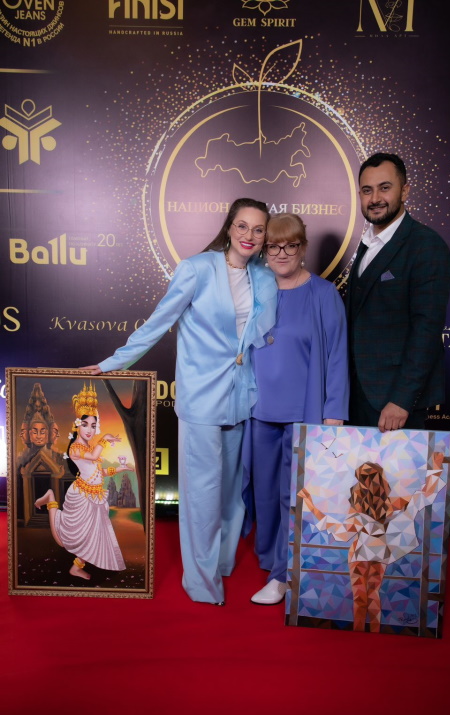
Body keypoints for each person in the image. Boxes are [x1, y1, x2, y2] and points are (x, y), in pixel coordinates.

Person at [82, 198, 277, 605]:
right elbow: (159, 323)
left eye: (258, 229)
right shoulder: (197, 269)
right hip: (202, 397)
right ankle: (202, 584)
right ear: (229, 227)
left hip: (242, 397)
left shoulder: (264, 276)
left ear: (264, 236)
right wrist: (113, 363)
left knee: (231, 494)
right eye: (242, 226)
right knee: (202, 495)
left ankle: (222, 563)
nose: (249, 236)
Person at [244, 213, 349, 605]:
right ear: (264, 250)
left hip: (304, 413)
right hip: (258, 411)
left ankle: (283, 575)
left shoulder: (323, 294)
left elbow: (337, 356)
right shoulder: (255, 290)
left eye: (291, 245)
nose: (282, 253)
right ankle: (270, 557)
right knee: (264, 492)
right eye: (274, 246)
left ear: (303, 248)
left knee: (294, 495)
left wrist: (334, 412)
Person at [346, 153, 450, 433]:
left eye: (385, 188)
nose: (375, 198)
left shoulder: (426, 246)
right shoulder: (368, 244)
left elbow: (427, 330)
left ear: (404, 191)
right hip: (358, 395)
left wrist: (402, 400)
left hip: (395, 403)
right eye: (367, 190)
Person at [299, 452, 445, 632]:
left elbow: (342, 533)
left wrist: (310, 504)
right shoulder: (393, 503)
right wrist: (437, 467)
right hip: (379, 553)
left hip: (360, 553)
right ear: (382, 480)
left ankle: (359, 633)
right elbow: (425, 495)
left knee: (360, 599)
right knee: (373, 596)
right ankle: (373, 633)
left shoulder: (360, 506)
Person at [34, 383, 133, 579]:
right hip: (81, 495)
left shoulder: (88, 446)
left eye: (93, 426)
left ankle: (76, 567)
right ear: (77, 425)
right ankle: (51, 499)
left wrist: (118, 469)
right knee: (68, 537)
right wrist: (105, 439)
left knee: (93, 534)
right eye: (85, 424)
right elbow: (94, 456)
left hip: (95, 496)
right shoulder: (76, 448)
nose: (89, 430)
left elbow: (98, 471)